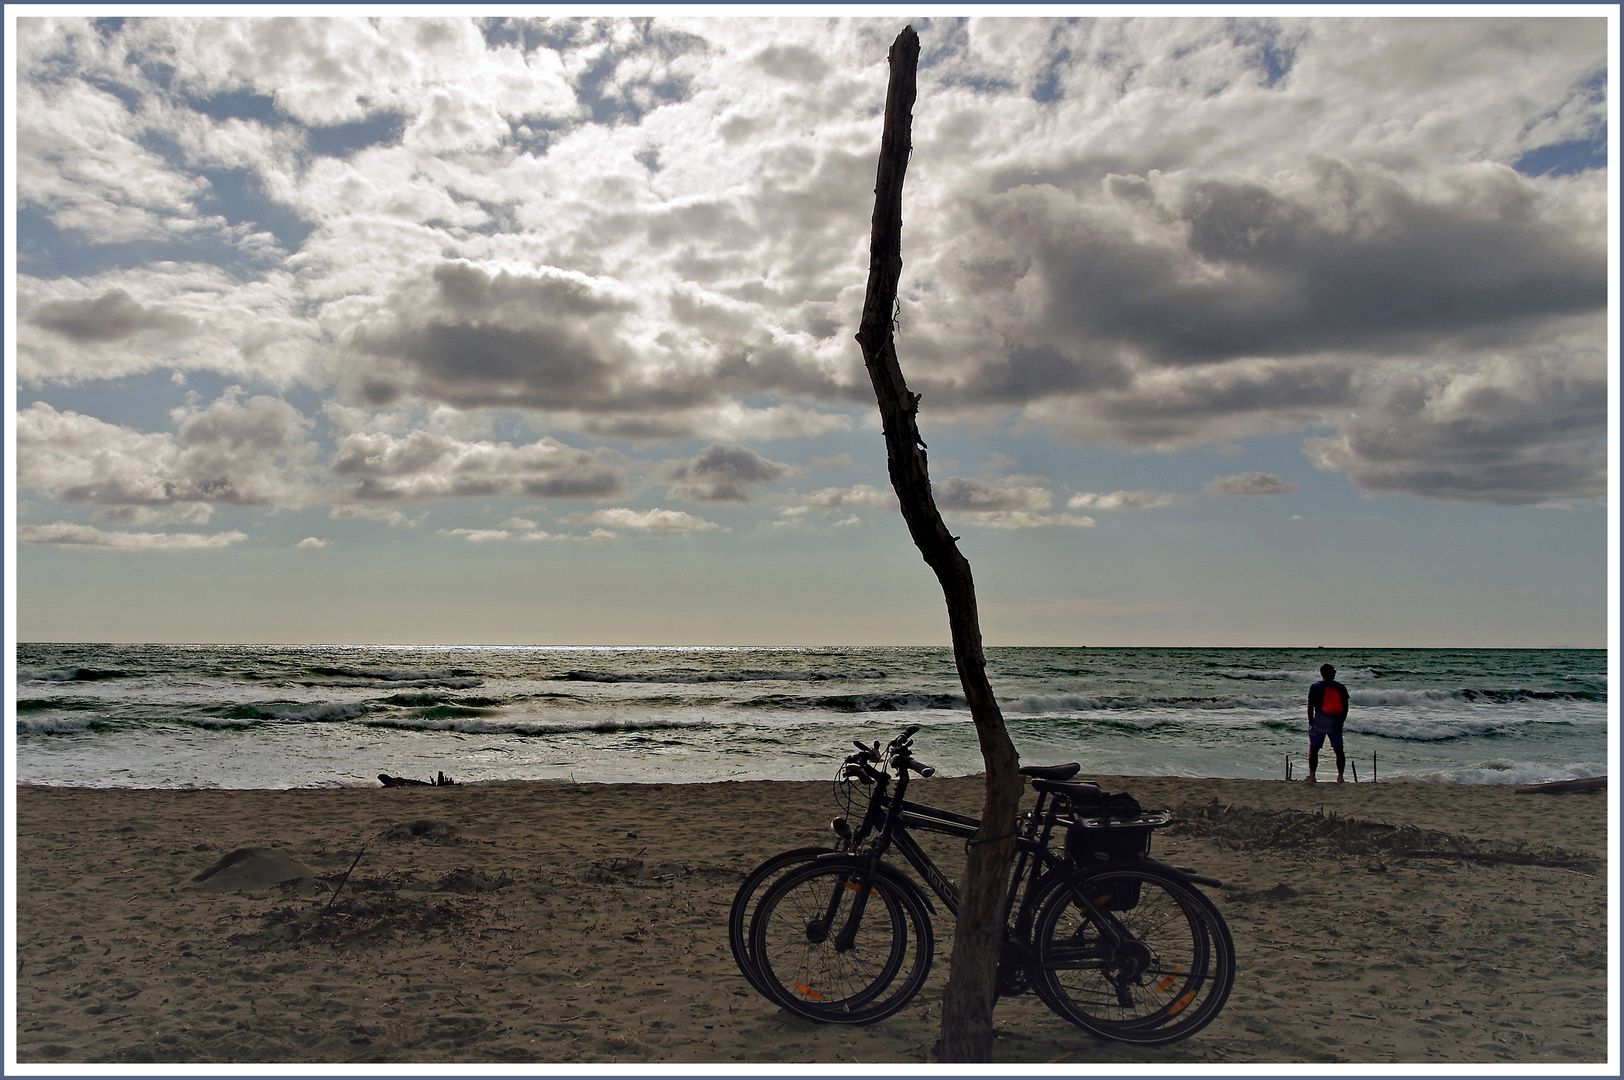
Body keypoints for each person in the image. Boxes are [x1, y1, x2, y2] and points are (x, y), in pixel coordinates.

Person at [1305, 663, 1350, 782]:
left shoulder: (1315, 687)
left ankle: (1312, 776)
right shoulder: (1341, 687)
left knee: (1314, 749)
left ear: (1321, 674)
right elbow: (1345, 707)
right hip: (1335, 722)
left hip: (1319, 721)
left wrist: (1311, 721)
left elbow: (1310, 706)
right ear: (1332, 673)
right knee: (1338, 750)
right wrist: (1341, 720)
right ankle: (1340, 777)